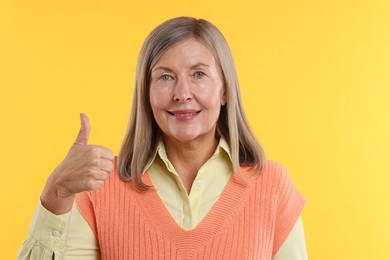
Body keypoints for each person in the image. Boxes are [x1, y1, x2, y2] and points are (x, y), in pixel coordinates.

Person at [18, 17, 307, 259]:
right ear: (147, 93)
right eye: (165, 77)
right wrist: (56, 191)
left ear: (225, 90)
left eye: (199, 74)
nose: (182, 93)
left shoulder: (273, 186)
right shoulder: (100, 188)